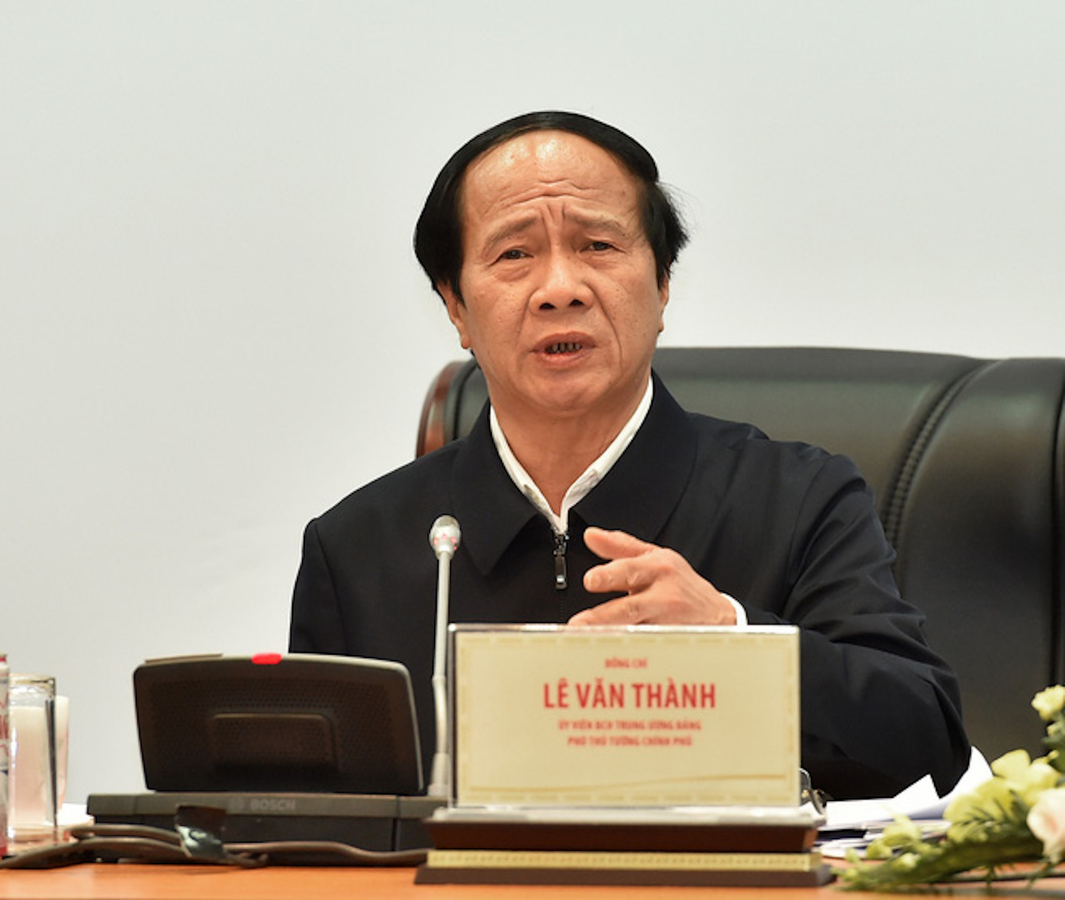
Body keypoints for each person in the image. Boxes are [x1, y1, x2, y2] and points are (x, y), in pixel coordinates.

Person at [289, 110, 970, 800]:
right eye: (514, 255)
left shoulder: (798, 499)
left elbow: (926, 742)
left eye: (597, 245)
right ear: (455, 306)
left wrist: (732, 636)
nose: (560, 288)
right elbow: (309, 816)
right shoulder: (356, 550)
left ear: (663, 282)